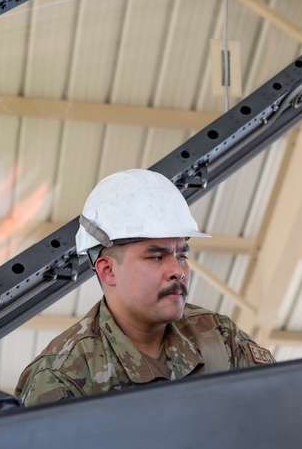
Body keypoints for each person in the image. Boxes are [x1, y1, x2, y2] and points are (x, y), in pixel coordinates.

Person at [14, 169, 275, 406]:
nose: (177, 271)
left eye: (181, 256)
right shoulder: (62, 377)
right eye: (157, 257)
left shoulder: (218, 335)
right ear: (108, 270)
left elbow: (284, 412)